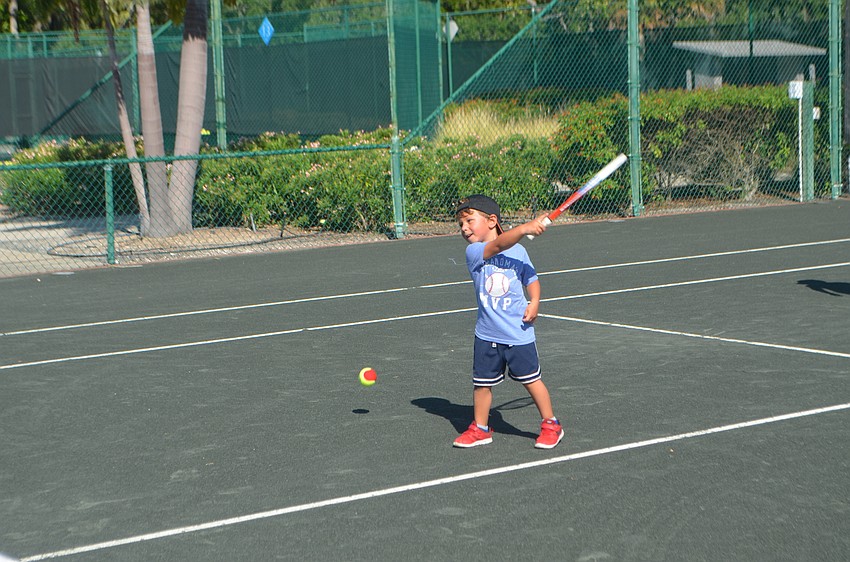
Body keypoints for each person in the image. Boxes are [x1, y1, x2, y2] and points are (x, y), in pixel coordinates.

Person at [453, 194, 563, 449]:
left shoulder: (519, 251)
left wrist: (534, 300)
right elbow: (499, 245)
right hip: (487, 334)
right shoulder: (474, 252)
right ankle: (480, 428)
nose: (464, 228)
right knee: (481, 385)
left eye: (470, 220)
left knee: (531, 381)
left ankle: (551, 424)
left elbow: (530, 278)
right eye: (461, 225)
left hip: (517, 334)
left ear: (492, 220)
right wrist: (525, 228)